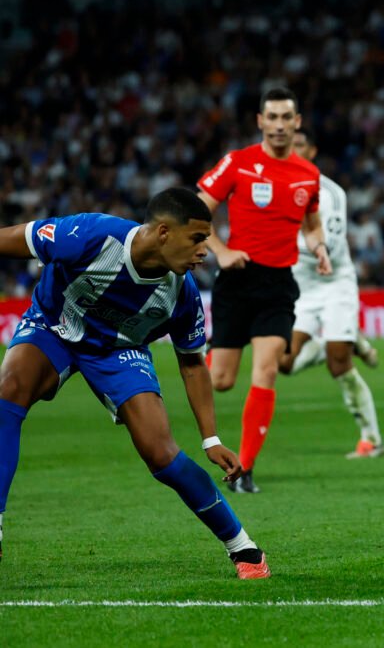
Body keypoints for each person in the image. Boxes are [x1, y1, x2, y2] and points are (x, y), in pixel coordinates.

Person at [0, 188, 269, 579]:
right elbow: (12, 239)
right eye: (196, 239)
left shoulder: (183, 294)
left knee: (160, 452)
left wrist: (211, 439)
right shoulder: (90, 235)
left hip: (117, 350)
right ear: (163, 232)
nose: (203, 252)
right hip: (55, 326)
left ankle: (243, 547)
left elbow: (192, 364)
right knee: (8, 390)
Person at [197, 87, 332, 493]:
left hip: (278, 283)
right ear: (260, 121)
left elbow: (311, 223)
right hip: (237, 280)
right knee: (221, 380)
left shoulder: (308, 175)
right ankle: (202, 362)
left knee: (269, 366)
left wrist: (320, 247)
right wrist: (219, 250)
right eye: (270, 117)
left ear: (297, 122)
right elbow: (198, 207)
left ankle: (246, 470)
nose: (277, 125)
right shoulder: (238, 163)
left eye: (285, 117)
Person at [279, 131, 384, 459]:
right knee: (284, 363)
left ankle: (372, 440)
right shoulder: (276, 188)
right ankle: (348, 339)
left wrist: (278, 247)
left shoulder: (330, 192)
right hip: (303, 290)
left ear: (311, 150)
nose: (292, 151)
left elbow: (333, 245)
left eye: (299, 146)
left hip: (334, 281)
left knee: (340, 366)